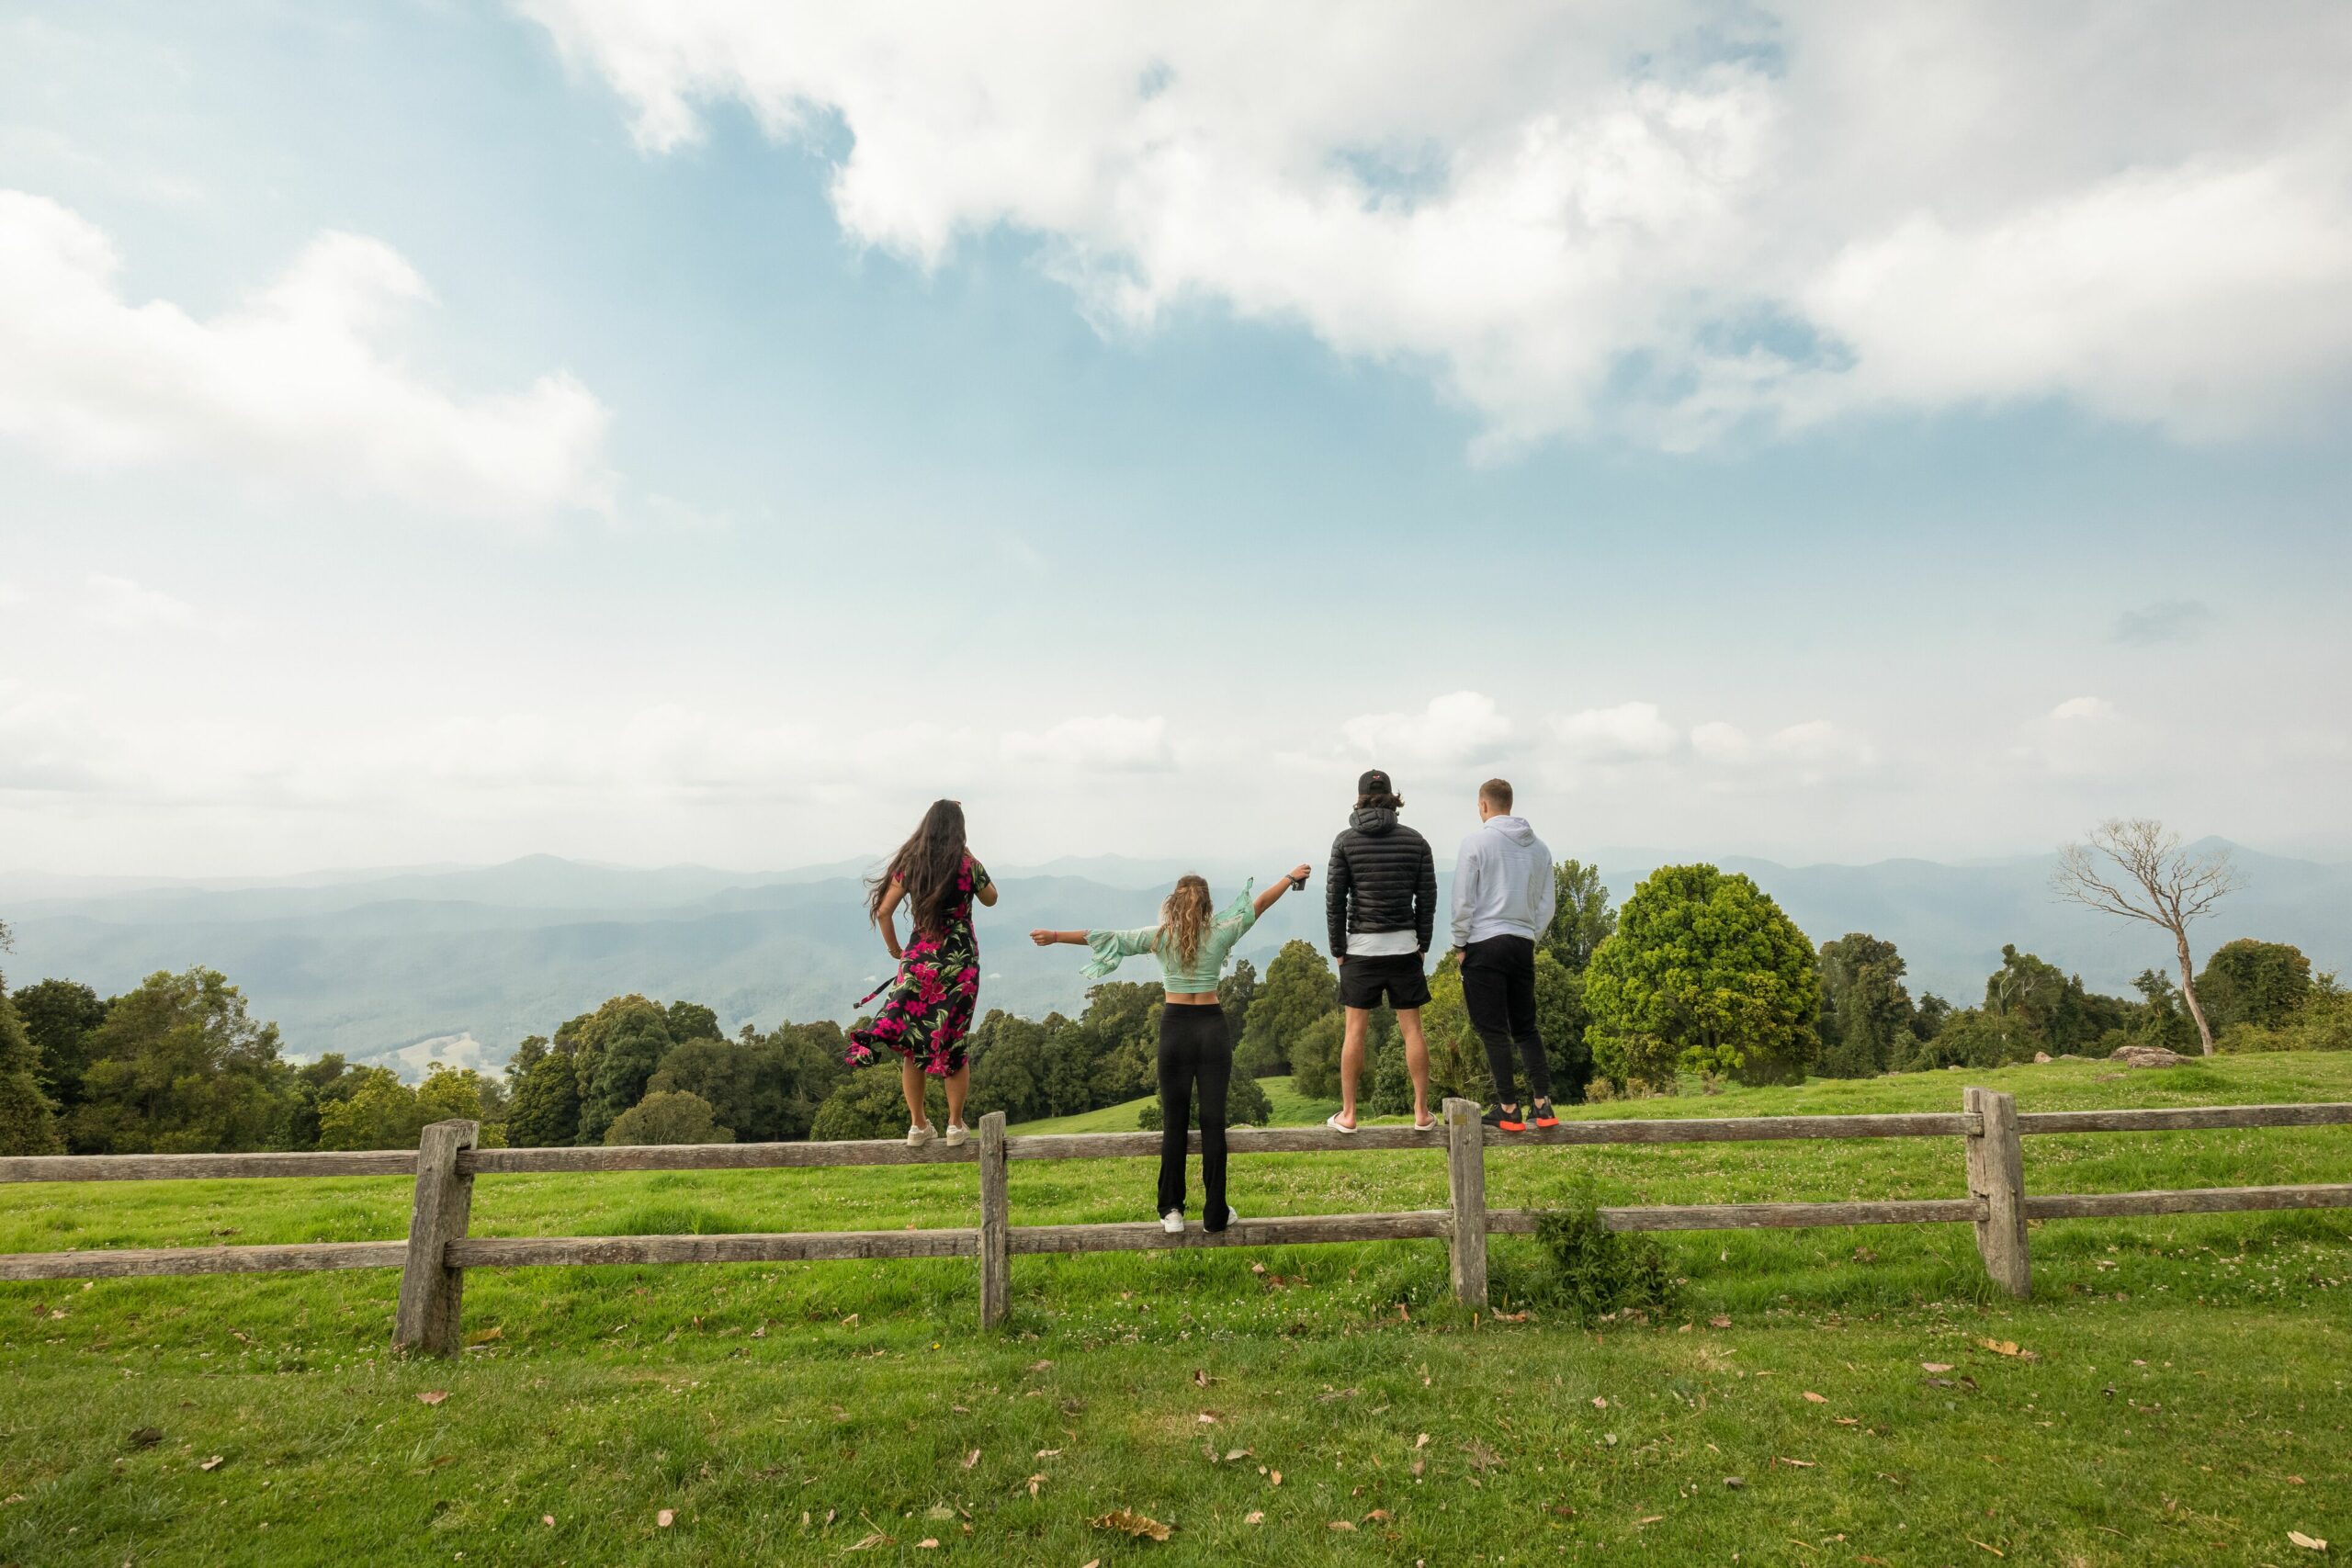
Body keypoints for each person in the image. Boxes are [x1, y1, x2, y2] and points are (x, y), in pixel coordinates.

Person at [1031, 863, 1311, 1234]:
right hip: (1212, 1029)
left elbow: (1104, 936)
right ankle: (1215, 1215)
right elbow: (1258, 905)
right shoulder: (1222, 933)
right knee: (1213, 1124)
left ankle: (1172, 1211)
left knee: (1173, 1122)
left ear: (1173, 905)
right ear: (1209, 907)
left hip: (1175, 1030)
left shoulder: (1159, 937)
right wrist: (1290, 878)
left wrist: (1055, 935)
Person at [844, 799, 998, 1146]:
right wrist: (969, 855)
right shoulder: (967, 865)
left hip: (919, 964)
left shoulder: (912, 864)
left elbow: (884, 911)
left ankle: (918, 1125)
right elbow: (991, 898)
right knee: (952, 1043)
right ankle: (956, 1126)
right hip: (959, 964)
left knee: (914, 1046)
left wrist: (897, 951)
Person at [1324, 769, 1437, 1134]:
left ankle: (1349, 1114)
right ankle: (1421, 1112)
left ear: (1359, 799)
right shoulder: (1416, 841)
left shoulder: (1344, 842)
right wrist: (1422, 944)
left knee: (1354, 1032)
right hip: (1405, 946)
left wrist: (1339, 948)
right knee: (1412, 1030)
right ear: (1393, 799)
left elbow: (1335, 902)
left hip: (1361, 947)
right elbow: (1428, 898)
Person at [1451, 777, 1559, 1133]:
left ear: (1484, 805)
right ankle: (1542, 1105)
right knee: (1526, 1026)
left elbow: (1463, 900)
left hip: (1484, 943)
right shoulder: (1540, 849)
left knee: (1493, 1029)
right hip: (1522, 942)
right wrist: (1530, 935)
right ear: (1509, 804)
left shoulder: (1475, 843)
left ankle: (1508, 1108)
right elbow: (1547, 905)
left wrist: (1460, 943)